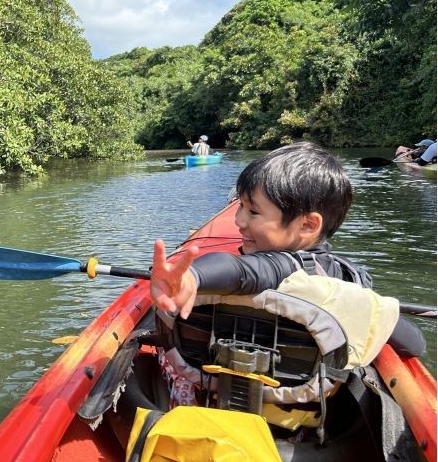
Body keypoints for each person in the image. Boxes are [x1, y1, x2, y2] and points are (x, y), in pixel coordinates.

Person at [150, 141, 425, 358]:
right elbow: (415, 345)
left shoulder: (281, 267)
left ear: (307, 225)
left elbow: (243, 271)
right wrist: (365, 303)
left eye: (253, 211)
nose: (238, 221)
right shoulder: (345, 278)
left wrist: (194, 277)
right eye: (240, 207)